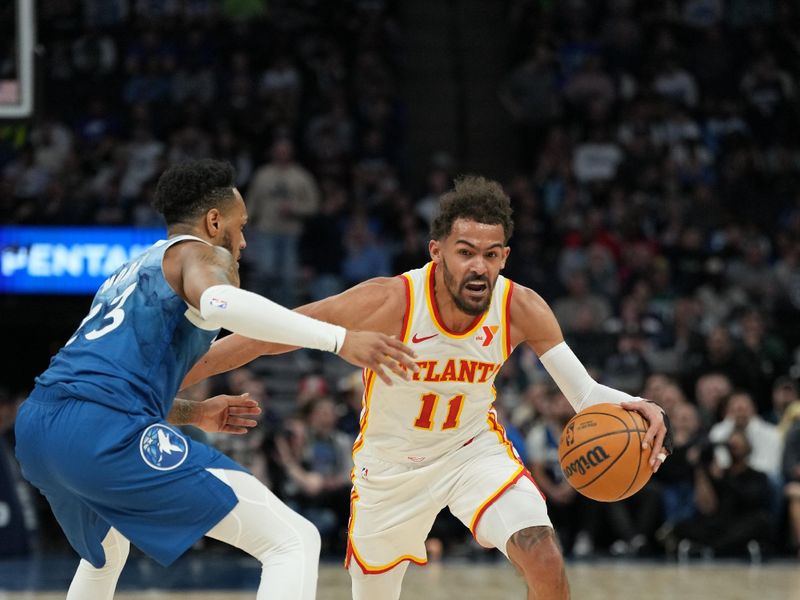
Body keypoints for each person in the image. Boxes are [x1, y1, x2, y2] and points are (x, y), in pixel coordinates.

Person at [184, 175, 671, 599]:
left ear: (504, 256)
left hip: (470, 452)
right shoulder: (390, 300)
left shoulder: (520, 307)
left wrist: (641, 406)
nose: (478, 266)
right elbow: (272, 334)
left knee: (542, 554)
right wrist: (174, 377)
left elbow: (584, 395)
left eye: (490, 254)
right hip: (390, 466)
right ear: (437, 252)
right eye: (465, 253)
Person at [13, 159, 417, 600]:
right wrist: (338, 340)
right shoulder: (201, 252)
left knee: (105, 553)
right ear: (213, 221)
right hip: (98, 431)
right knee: (293, 540)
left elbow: (106, 383)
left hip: (39, 428)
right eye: (240, 227)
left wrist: (195, 411)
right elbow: (220, 302)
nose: (243, 242)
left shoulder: (128, 272)